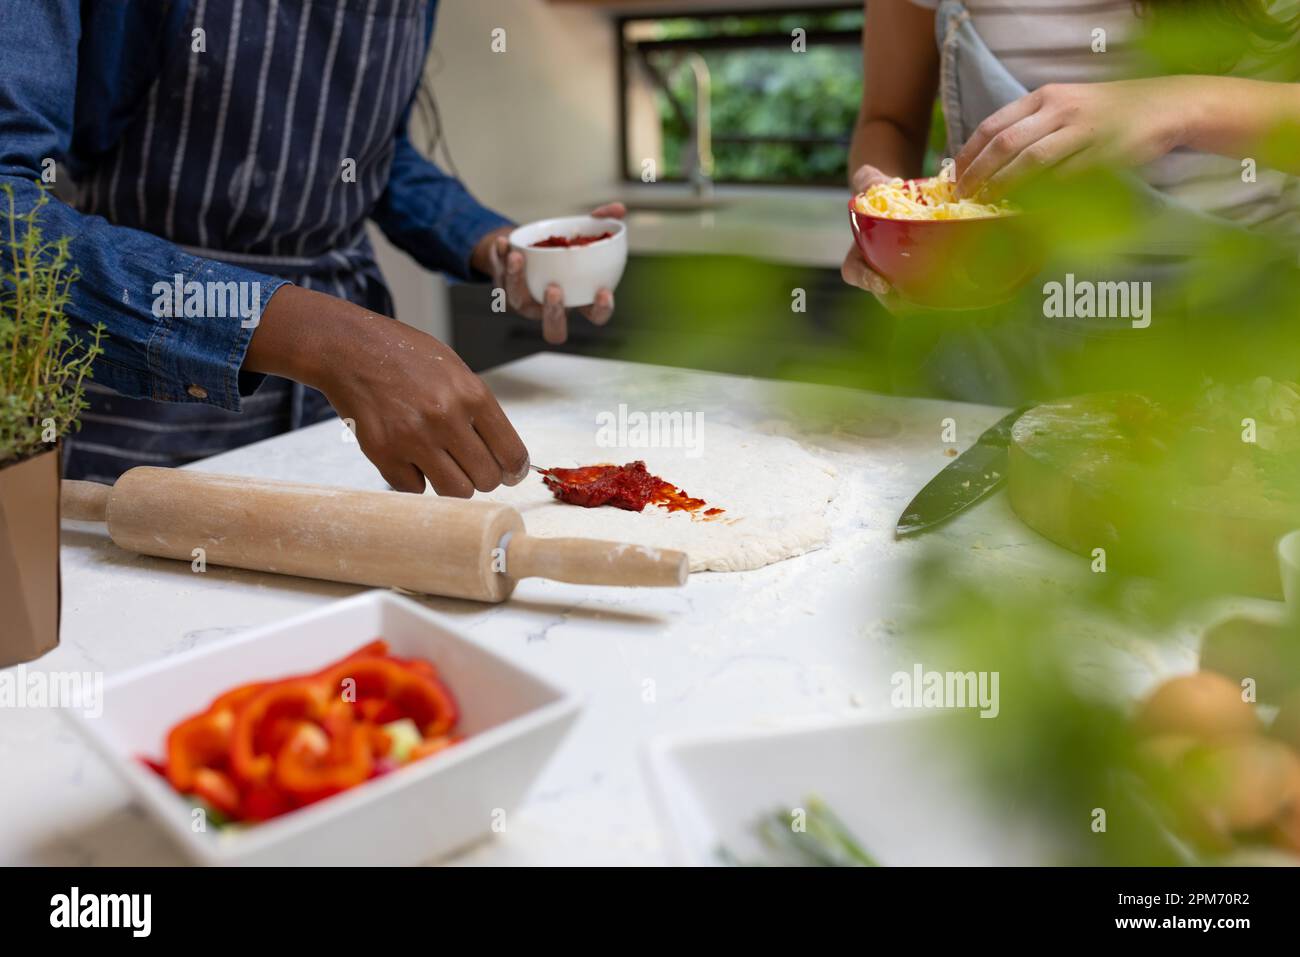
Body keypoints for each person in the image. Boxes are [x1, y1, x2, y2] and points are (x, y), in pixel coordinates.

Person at [0, 0, 619, 497]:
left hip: (346, 412)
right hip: (149, 385)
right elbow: (9, 213)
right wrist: (320, 337)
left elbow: (375, 157)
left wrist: (490, 244)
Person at [840, 0, 1300, 400]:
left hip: (1242, 335)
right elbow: (889, 119)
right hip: (993, 351)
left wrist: (1183, 106)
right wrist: (892, 220)